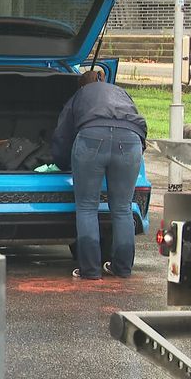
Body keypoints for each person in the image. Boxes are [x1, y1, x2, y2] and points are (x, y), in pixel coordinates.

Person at [52, 71, 147, 279]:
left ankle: (90, 270)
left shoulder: (79, 96)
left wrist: (61, 162)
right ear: (102, 80)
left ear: (81, 86)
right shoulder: (120, 92)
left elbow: (63, 133)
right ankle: (122, 268)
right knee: (123, 208)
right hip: (131, 140)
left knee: (87, 207)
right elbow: (139, 122)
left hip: (92, 137)